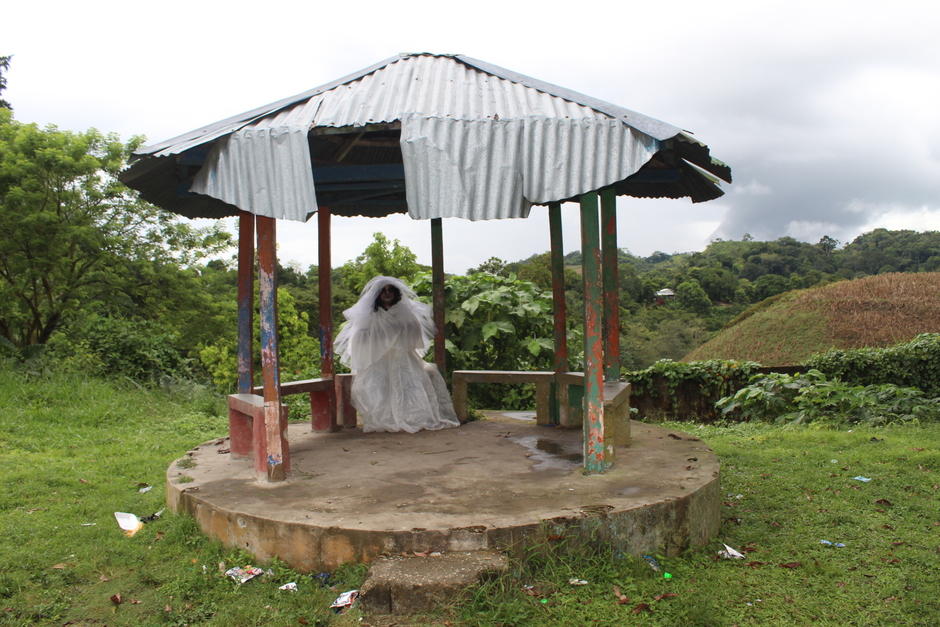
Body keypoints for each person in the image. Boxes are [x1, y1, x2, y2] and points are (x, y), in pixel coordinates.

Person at [334, 276, 460, 433]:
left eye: (390, 290)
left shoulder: (404, 312)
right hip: (378, 359)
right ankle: (385, 419)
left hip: (403, 358)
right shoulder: (370, 315)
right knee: (380, 389)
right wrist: (381, 341)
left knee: (409, 386)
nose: (387, 294)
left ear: (396, 293)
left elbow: (414, 334)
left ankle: (410, 418)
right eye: (383, 291)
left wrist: (397, 338)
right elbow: (359, 338)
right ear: (377, 295)